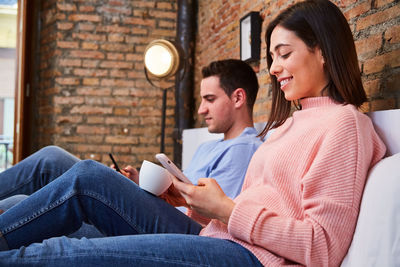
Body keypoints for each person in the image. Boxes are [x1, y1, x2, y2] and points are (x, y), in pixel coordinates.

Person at [0, 0, 387, 266]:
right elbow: (245, 216)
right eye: (271, 57)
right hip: (219, 239)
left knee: (61, 253)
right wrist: (198, 208)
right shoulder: (289, 125)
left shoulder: (345, 125)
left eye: (284, 54)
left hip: (252, 260)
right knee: (86, 177)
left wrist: (227, 209)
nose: (273, 68)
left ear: (323, 51)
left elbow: (322, 247)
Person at [0, 59, 261, 230]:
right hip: (163, 213)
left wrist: (138, 195)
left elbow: (214, 218)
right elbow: (185, 199)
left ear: (238, 98)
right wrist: (140, 187)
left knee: (54, 160)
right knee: (21, 200)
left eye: (210, 99)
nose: (201, 109)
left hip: (185, 231)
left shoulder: (244, 150)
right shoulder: (209, 147)